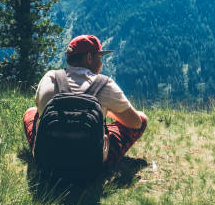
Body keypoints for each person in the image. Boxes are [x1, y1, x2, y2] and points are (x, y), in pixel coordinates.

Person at [23, 34, 148, 170]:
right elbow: (136, 123)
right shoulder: (105, 85)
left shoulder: (50, 77)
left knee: (30, 113)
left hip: (47, 164)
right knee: (142, 118)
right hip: (91, 167)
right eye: (100, 57)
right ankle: (105, 165)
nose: (102, 63)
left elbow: (38, 108)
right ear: (89, 57)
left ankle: (41, 152)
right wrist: (105, 113)